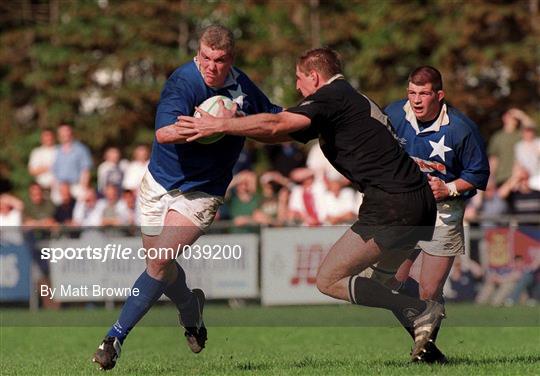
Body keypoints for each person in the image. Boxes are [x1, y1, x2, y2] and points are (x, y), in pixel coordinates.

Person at [177, 47, 443, 362]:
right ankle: (429, 352)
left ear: (314, 76)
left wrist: (219, 126)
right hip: (416, 200)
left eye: (299, 80)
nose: (298, 88)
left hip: (393, 203)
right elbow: (281, 133)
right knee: (380, 286)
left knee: (329, 279)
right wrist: (239, 124)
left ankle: (423, 310)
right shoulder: (347, 99)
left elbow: (277, 124)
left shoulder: (330, 97)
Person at [92, 24, 281, 370]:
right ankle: (190, 309)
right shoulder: (182, 81)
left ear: (231, 60)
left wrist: (239, 122)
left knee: (160, 262)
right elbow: (163, 133)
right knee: (159, 268)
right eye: (206, 58)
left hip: (203, 191)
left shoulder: (244, 90)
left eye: (219, 60)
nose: (211, 66)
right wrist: (202, 126)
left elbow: (275, 122)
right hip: (158, 183)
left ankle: (114, 338)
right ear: (198, 54)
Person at [385, 66, 489, 359]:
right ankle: (428, 345)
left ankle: (425, 349)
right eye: (412, 92)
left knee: (429, 292)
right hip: (405, 211)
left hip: (444, 213)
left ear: (439, 95)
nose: (416, 100)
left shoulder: (460, 128)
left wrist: (449, 189)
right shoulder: (393, 115)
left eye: (424, 93)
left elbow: (478, 173)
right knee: (388, 283)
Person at [51, 124, 93, 203]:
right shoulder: (56, 150)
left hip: (76, 185)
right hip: (60, 186)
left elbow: (85, 170)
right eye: (62, 133)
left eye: (67, 132)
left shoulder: (81, 149)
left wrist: (83, 187)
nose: (65, 134)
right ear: (59, 135)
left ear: (71, 133)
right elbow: (54, 170)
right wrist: (56, 186)